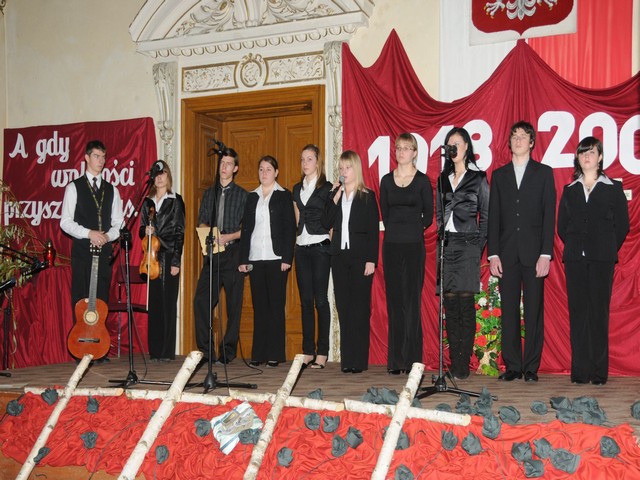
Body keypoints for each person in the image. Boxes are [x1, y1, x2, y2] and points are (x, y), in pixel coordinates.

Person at [488, 120, 556, 382]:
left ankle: (531, 367)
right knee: (509, 311)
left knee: (534, 310)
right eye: (514, 136)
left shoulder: (544, 173)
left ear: (531, 142)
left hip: (534, 253)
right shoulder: (499, 175)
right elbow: (494, 216)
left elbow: (549, 215)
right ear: (509, 142)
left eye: (523, 136)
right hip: (506, 253)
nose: (518, 140)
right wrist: (493, 253)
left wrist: (545, 253)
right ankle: (513, 365)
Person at [558, 137, 629, 386]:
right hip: (575, 260)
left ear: (600, 157)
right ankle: (580, 371)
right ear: (577, 158)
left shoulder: (613, 188)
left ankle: (599, 372)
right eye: (582, 152)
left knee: (599, 314)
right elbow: (562, 227)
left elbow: (622, 225)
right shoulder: (570, 190)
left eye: (591, 152)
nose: (586, 156)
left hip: (602, 260)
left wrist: (605, 247)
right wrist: (578, 246)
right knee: (578, 314)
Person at [60, 140, 124, 361]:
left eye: (103, 157)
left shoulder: (112, 190)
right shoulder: (74, 187)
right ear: (86, 158)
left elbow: (119, 223)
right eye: (97, 156)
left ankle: (99, 347)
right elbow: (65, 222)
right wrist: (89, 233)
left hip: (103, 254)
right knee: (81, 299)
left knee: (101, 300)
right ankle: (80, 348)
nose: (101, 161)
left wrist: (108, 236)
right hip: (82, 253)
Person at [436, 127, 489, 380]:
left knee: (465, 305)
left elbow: (486, 216)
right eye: (449, 143)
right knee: (450, 305)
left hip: (468, 243)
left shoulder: (478, 178)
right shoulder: (442, 179)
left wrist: (478, 246)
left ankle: (462, 363)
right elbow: (439, 214)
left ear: (466, 146)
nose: (453, 146)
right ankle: (453, 360)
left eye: (457, 142)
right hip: (447, 245)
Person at [380, 133, 434, 374]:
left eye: (406, 148)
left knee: (412, 302)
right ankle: (396, 361)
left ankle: (413, 360)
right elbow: (385, 213)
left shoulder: (422, 181)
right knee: (394, 302)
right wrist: (398, 230)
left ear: (414, 152)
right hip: (392, 246)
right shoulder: (386, 181)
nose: (401, 152)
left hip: (414, 246)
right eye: (398, 148)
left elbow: (429, 215)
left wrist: (412, 229)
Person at [321, 150, 379, 374]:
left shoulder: (367, 196)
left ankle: (359, 360)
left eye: (348, 167)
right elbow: (325, 222)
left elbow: (373, 231)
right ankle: (347, 360)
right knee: (343, 307)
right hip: (339, 257)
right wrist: (334, 197)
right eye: (341, 168)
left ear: (356, 169)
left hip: (361, 257)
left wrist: (371, 260)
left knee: (359, 309)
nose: (344, 172)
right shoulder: (335, 196)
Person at [238, 156, 296, 367]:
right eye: (261, 169)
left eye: (268, 169)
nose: (264, 173)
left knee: (276, 307)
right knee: (259, 306)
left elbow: (290, 228)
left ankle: (275, 353)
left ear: (276, 172)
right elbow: (246, 230)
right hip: (255, 257)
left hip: (276, 258)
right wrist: (243, 258)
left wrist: (287, 257)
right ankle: (259, 353)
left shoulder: (283, 195)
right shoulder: (251, 196)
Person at [193, 147, 248, 364]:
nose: (223, 167)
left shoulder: (243, 195)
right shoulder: (210, 193)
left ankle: (228, 351)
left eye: (228, 164)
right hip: (213, 252)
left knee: (233, 304)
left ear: (235, 168)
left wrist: (229, 236)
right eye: (221, 163)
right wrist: (209, 233)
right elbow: (202, 221)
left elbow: (248, 229)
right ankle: (206, 351)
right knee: (201, 300)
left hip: (234, 251)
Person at [138, 161, 185, 362]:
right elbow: (141, 229)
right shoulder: (147, 202)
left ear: (168, 176)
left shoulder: (176, 200)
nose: (159, 177)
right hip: (151, 258)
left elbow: (180, 232)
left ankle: (166, 352)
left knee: (168, 304)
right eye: (156, 174)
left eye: (163, 173)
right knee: (155, 304)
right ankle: (155, 351)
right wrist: (145, 230)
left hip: (168, 255)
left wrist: (176, 262)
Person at [292, 144, 332, 369]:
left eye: (309, 159)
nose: (305, 163)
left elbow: (331, 219)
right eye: (302, 159)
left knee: (321, 300)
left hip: (320, 247)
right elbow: (298, 218)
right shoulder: (296, 188)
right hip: (301, 247)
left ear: (317, 162)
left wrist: (330, 243)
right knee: (305, 300)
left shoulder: (327, 187)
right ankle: (308, 351)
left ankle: (323, 352)